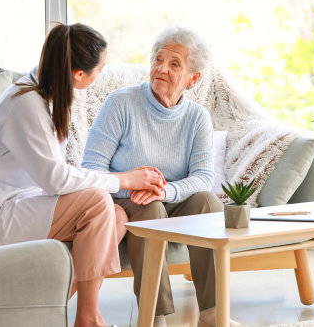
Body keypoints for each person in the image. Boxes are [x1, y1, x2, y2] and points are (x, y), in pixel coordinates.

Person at [0, 23, 166, 327]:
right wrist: (124, 179)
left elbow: (56, 174)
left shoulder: (46, 92)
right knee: (97, 203)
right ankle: (88, 319)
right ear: (79, 74)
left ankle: (43, 307)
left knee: (117, 216)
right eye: (100, 68)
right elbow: (55, 179)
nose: (101, 75)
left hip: (20, 203)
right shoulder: (26, 104)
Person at [82, 26, 242, 327]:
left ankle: (212, 312)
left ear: (193, 78)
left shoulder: (196, 118)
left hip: (170, 198)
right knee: (150, 209)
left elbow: (203, 177)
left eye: (174, 64)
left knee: (207, 202)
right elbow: (92, 169)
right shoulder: (121, 103)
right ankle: (155, 316)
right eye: (158, 59)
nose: (161, 69)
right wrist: (133, 184)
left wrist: (164, 191)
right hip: (128, 199)